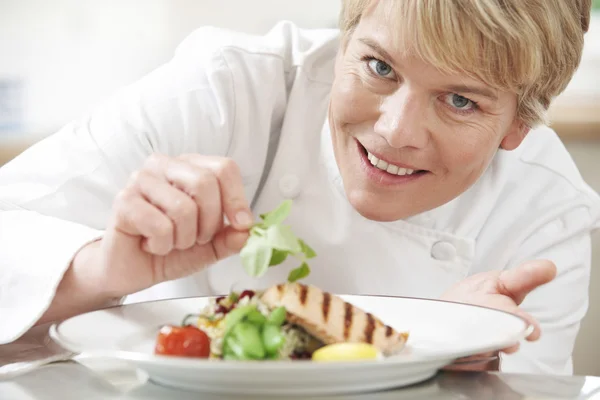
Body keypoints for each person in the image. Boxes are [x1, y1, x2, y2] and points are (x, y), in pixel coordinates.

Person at [0, 0, 597, 375]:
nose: (394, 130)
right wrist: (103, 268)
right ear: (347, 31)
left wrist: (455, 352)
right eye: (379, 66)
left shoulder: (544, 216)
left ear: (518, 125)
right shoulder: (224, 90)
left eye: (460, 100)